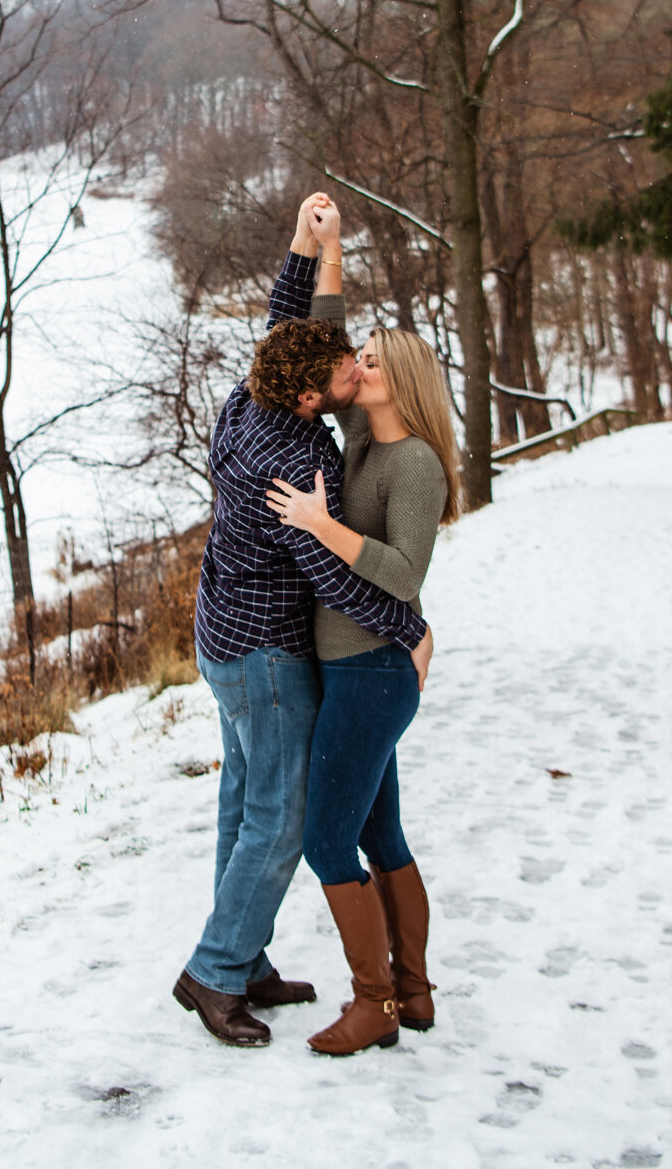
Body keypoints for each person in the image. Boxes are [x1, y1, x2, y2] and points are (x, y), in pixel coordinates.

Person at [173, 194, 435, 1049]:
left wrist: (307, 249)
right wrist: (404, 625)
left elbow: (291, 333)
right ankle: (216, 973)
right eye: (343, 378)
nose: (352, 378)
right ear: (308, 397)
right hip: (268, 654)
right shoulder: (297, 459)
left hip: (223, 634)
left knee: (243, 802)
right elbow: (338, 574)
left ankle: (241, 958)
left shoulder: (254, 401)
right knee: (282, 816)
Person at [266, 240, 457, 1056]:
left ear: (400, 380)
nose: (356, 363)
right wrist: (330, 251)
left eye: (371, 361)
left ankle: (374, 1001)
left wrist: (322, 526)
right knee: (382, 839)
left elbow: (405, 574)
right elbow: (323, 331)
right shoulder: (363, 437)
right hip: (359, 669)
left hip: (373, 671)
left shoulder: (414, 464)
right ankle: (411, 993)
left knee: (326, 840)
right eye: (359, 357)